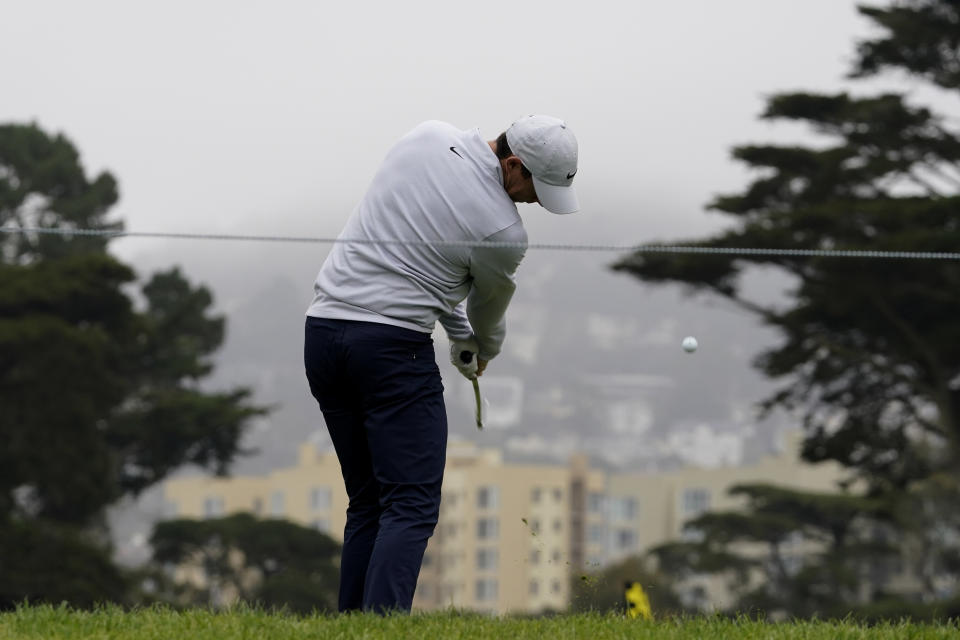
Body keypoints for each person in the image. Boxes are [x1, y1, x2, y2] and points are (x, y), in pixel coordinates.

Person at [303, 115, 579, 613]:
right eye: (535, 190)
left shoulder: (424, 137)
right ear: (513, 165)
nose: (534, 203)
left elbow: (424, 261)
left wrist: (457, 338)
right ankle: (382, 628)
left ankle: (349, 626)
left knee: (367, 502)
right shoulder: (503, 230)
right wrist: (482, 349)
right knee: (409, 505)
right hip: (388, 351)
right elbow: (487, 310)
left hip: (323, 334)